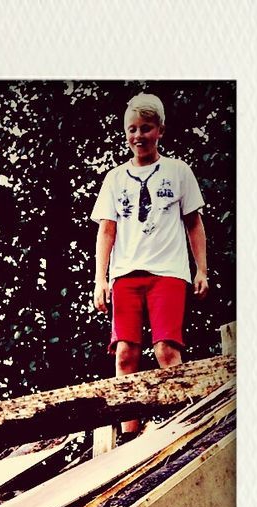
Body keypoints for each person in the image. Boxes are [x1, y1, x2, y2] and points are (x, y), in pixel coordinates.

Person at [91, 92, 209, 442]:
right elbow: (106, 229)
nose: (138, 136)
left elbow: (194, 223)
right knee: (126, 351)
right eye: (132, 129)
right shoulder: (115, 179)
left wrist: (201, 269)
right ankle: (129, 432)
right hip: (126, 273)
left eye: (145, 128)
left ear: (160, 130)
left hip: (168, 272)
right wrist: (100, 278)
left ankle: (181, 420)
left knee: (166, 349)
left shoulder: (177, 171)